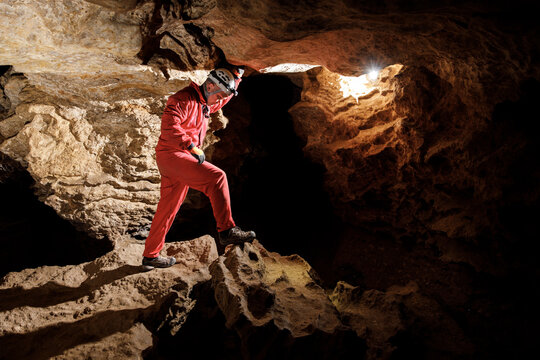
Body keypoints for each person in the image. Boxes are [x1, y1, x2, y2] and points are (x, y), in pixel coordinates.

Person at [142, 66, 256, 270]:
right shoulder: (182, 99)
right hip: (173, 154)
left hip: (177, 159)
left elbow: (224, 98)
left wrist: (237, 77)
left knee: (168, 209)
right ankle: (227, 230)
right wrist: (191, 146)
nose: (220, 101)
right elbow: (170, 126)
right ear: (210, 85)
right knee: (217, 177)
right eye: (219, 95)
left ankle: (150, 256)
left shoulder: (205, 102)